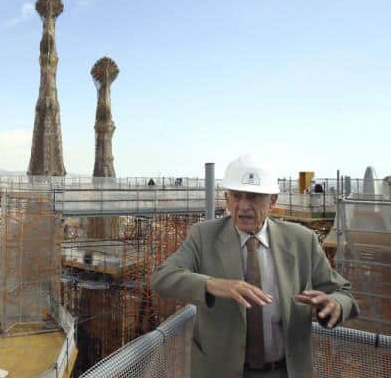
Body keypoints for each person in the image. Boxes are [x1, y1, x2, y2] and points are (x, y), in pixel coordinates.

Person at [151, 155, 358, 377]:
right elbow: (163, 278)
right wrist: (212, 284)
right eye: (237, 196)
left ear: (273, 201)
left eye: (254, 197)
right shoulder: (203, 236)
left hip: (286, 371)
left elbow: (342, 292)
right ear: (226, 199)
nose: (244, 206)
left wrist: (335, 305)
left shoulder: (301, 240)